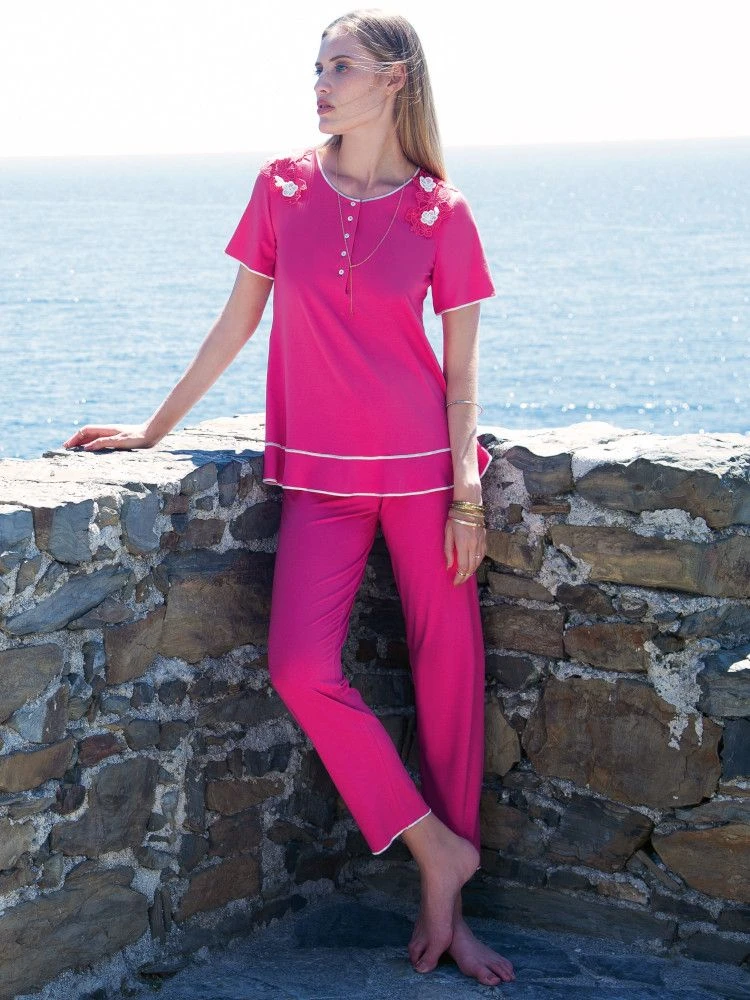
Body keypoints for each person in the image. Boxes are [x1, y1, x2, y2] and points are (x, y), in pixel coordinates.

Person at [64, 9, 515, 988]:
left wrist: (468, 494)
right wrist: (153, 430)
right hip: (321, 476)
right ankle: (435, 846)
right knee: (300, 665)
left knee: (450, 680)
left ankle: (446, 907)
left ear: (393, 78)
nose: (319, 81)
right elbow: (236, 325)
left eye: (339, 65)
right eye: (316, 65)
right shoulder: (282, 188)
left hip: (426, 476)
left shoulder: (441, 212)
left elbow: (462, 373)